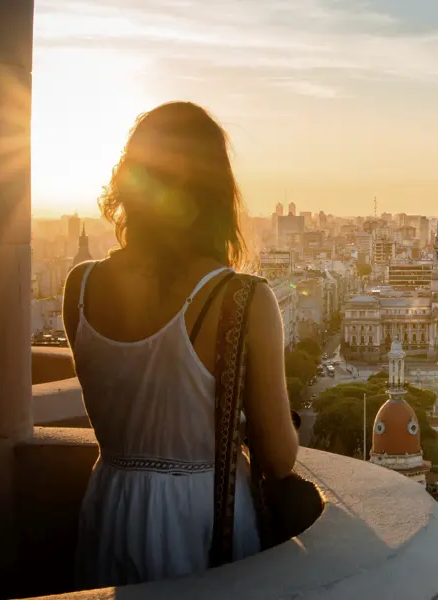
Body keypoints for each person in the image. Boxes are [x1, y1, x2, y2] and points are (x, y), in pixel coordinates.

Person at [63, 101, 299, 588]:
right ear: (215, 193)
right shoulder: (242, 299)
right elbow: (278, 457)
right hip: (203, 518)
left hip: (110, 505)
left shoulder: (79, 287)